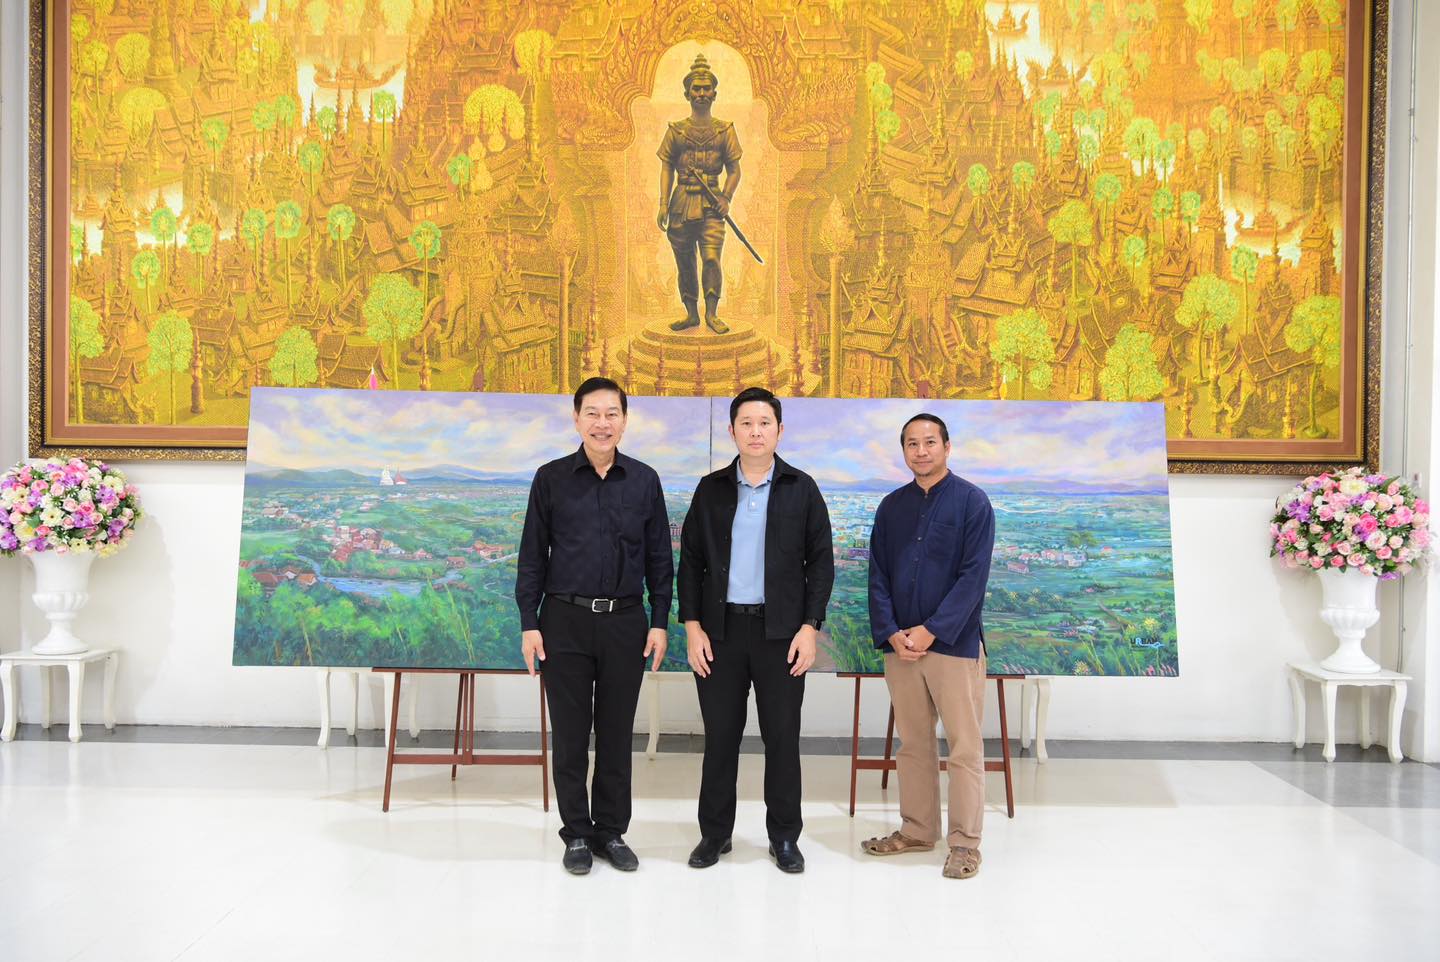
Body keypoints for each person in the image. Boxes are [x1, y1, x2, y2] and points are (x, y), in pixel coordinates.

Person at [515, 377, 673, 875]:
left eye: (611, 414)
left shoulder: (644, 480)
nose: (602, 423)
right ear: (576, 418)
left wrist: (660, 621)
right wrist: (529, 622)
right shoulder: (551, 478)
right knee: (569, 734)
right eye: (592, 413)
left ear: (624, 420)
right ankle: (577, 834)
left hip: (626, 622)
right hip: (563, 621)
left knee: (615, 734)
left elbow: (660, 558)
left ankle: (611, 831)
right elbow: (532, 556)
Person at [678, 387, 834, 873]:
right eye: (746, 423)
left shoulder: (802, 489)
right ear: (732, 431)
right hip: (719, 633)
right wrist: (692, 627)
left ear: (779, 430)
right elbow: (690, 563)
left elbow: (821, 563)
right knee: (720, 738)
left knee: (782, 740)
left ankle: (784, 837)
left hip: (781, 635)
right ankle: (714, 835)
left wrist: (810, 627)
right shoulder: (710, 489)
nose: (755, 432)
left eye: (765, 423)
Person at [862, 412, 995, 880]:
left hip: (953, 646)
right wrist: (892, 631)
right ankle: (917, 831)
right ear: (904, 451)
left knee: (964, 748)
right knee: (914, 744)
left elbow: (973, 578)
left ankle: (965, 844)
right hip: (901, 647)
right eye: (912, 444)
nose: (921, 451)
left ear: (947, 446)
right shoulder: (891, 507)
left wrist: (931, 630)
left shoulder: (972, 502)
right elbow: (877, 574)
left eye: (930, 442)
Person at [657, 53, 743, 335]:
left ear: (715, 93)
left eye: (707, 88)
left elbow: (734, 170)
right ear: (687, 93)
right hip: (681, 203)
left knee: (711, 259)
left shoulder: (725, 131)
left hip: (712, 204)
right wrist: (663, 204)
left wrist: (726, 198)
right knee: (684, 261)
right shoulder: (676, 132)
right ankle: (691, 314)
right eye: (696, 88)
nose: (702, 93)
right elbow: (667, 167)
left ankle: (712, 314)